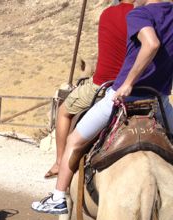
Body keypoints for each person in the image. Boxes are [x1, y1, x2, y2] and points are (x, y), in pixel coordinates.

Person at [33, 0, 173, 215]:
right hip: (158, 100)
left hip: (121, 97)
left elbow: (151, 44)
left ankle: (58, 197)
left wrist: (128, 83)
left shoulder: (138, 14)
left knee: (74, 141)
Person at [44, 0, 134, 179]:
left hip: (104, 85)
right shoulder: (147, 16)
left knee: (63, 111)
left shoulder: (107, 14)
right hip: (137, 87)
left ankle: (59, 162)